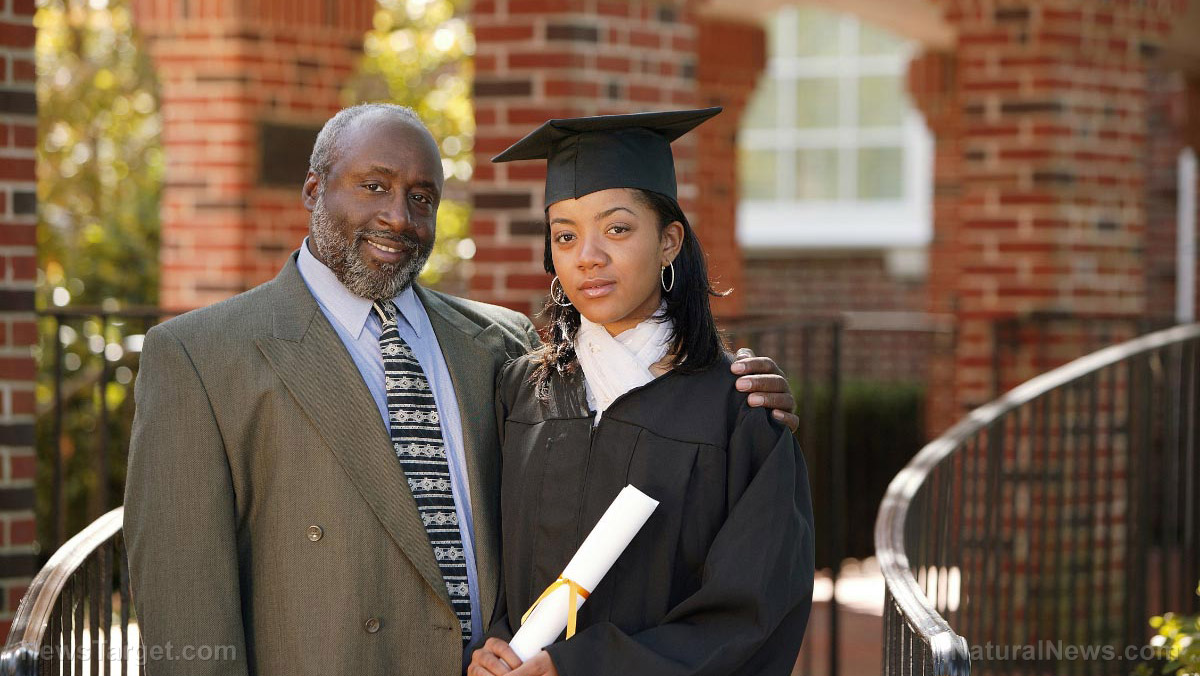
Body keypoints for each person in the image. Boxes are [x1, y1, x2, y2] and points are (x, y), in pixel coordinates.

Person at [123, 103, 798, 676]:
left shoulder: (501, 349)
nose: (398, 216)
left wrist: (738, 396)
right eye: (373, 186)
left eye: (422, 197)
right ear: (313, 190)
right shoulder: (200, 357)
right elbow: (186, 609)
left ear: (669, 241)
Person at [470, 108, 815, 676]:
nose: (588, 256)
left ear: (669, 241)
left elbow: (753, 614)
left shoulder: (737, 412)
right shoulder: (521, 394)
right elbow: (492, 571)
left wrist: (580, 667)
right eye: (565, 236)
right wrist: (495, 646)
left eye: (617, 229)